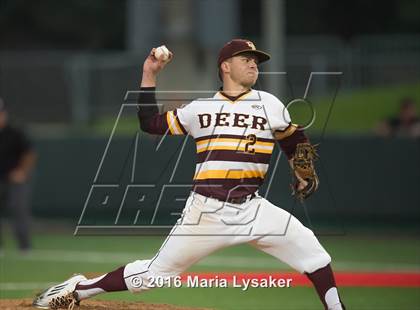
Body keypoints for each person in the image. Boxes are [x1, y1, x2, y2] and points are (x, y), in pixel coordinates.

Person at [33, 39, 345, 310]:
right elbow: (150, 124)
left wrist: (304, 171)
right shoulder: (201, 108)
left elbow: (294, 141)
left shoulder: (270, 104)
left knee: (312, 251)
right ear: (225, 66)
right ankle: (78, 289)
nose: (254, 64)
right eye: (246, 59)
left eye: (256, 61)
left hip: (253, 208)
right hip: (207, 211)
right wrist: (149, 75)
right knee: (153, 276)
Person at [0, 98, 36, 253]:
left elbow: (30, 154)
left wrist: (22, 172)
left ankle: (24, 246)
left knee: (19, 209)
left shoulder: (14, 133)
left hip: (14, 180)